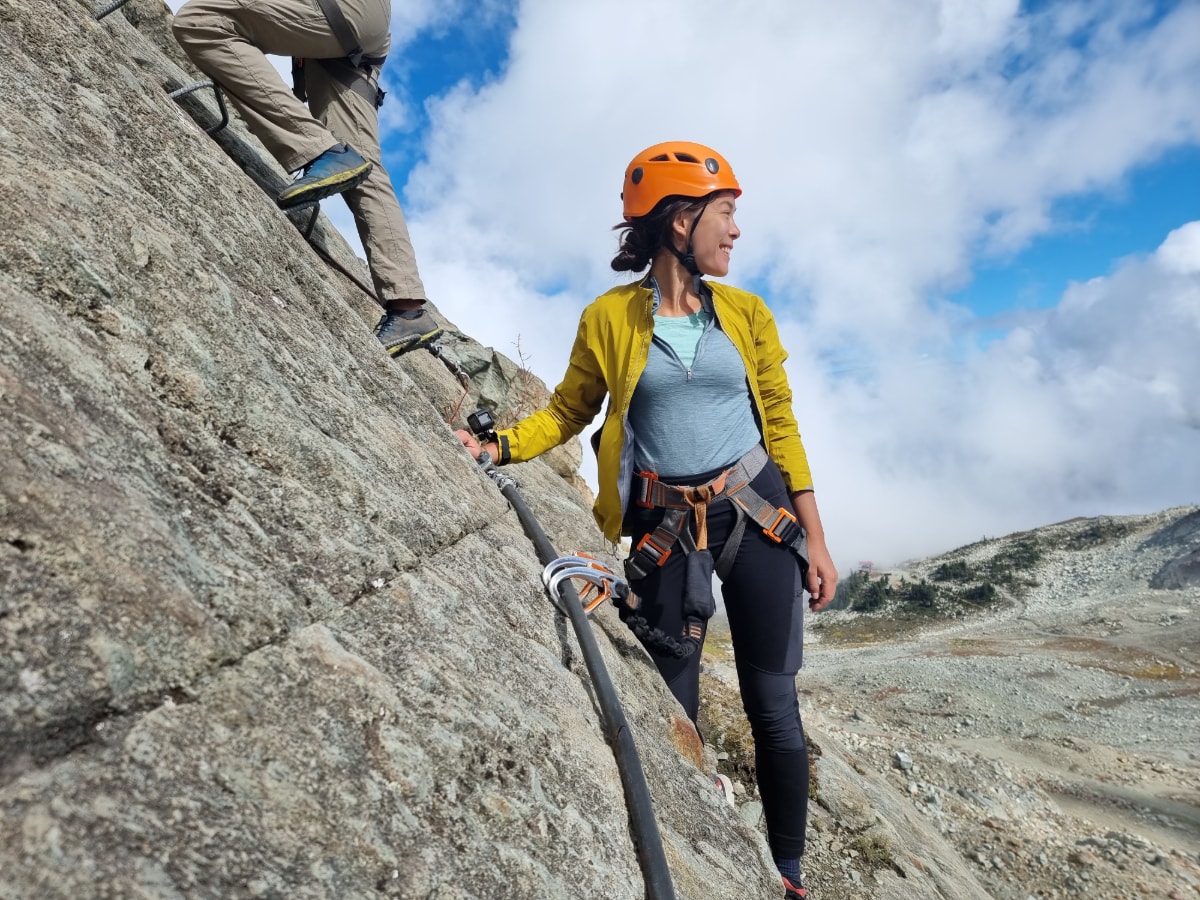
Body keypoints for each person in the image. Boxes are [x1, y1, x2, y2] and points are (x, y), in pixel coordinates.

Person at [455, 141, 838, 899]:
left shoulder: (747, 315)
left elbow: (782, 425)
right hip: (669, 533)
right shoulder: (609, 318)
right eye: (725, 214)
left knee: (773, 706)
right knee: (674, 710)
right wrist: (498, 446)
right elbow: (569, 412)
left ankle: (789, 874)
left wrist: (816, 538)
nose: (736, 231)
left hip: (759, 515)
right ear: (681, 221)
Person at [172, 0, 442, 355]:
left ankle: (319, 150)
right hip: (362, 30)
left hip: (341, 11)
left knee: (202, 21)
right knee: (361, 161)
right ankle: (408, 309)